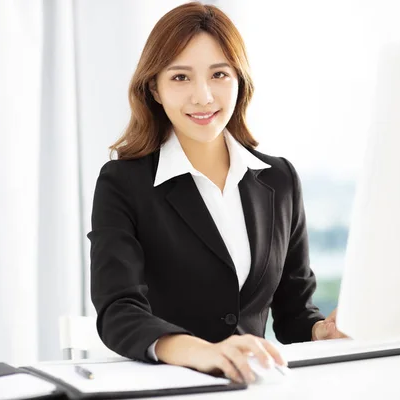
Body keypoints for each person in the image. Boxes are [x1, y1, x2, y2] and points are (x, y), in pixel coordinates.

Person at [88, 1, 346, 384]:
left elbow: (293, 316)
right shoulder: (122, 183)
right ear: (154, 89)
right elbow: (119, 312)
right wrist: (203, 352)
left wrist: (319, 331)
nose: (204, 96)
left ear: (239, 81)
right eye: (180, 77)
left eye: (219, 74)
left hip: (257, 387)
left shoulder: (278, 179)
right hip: (169, 387)